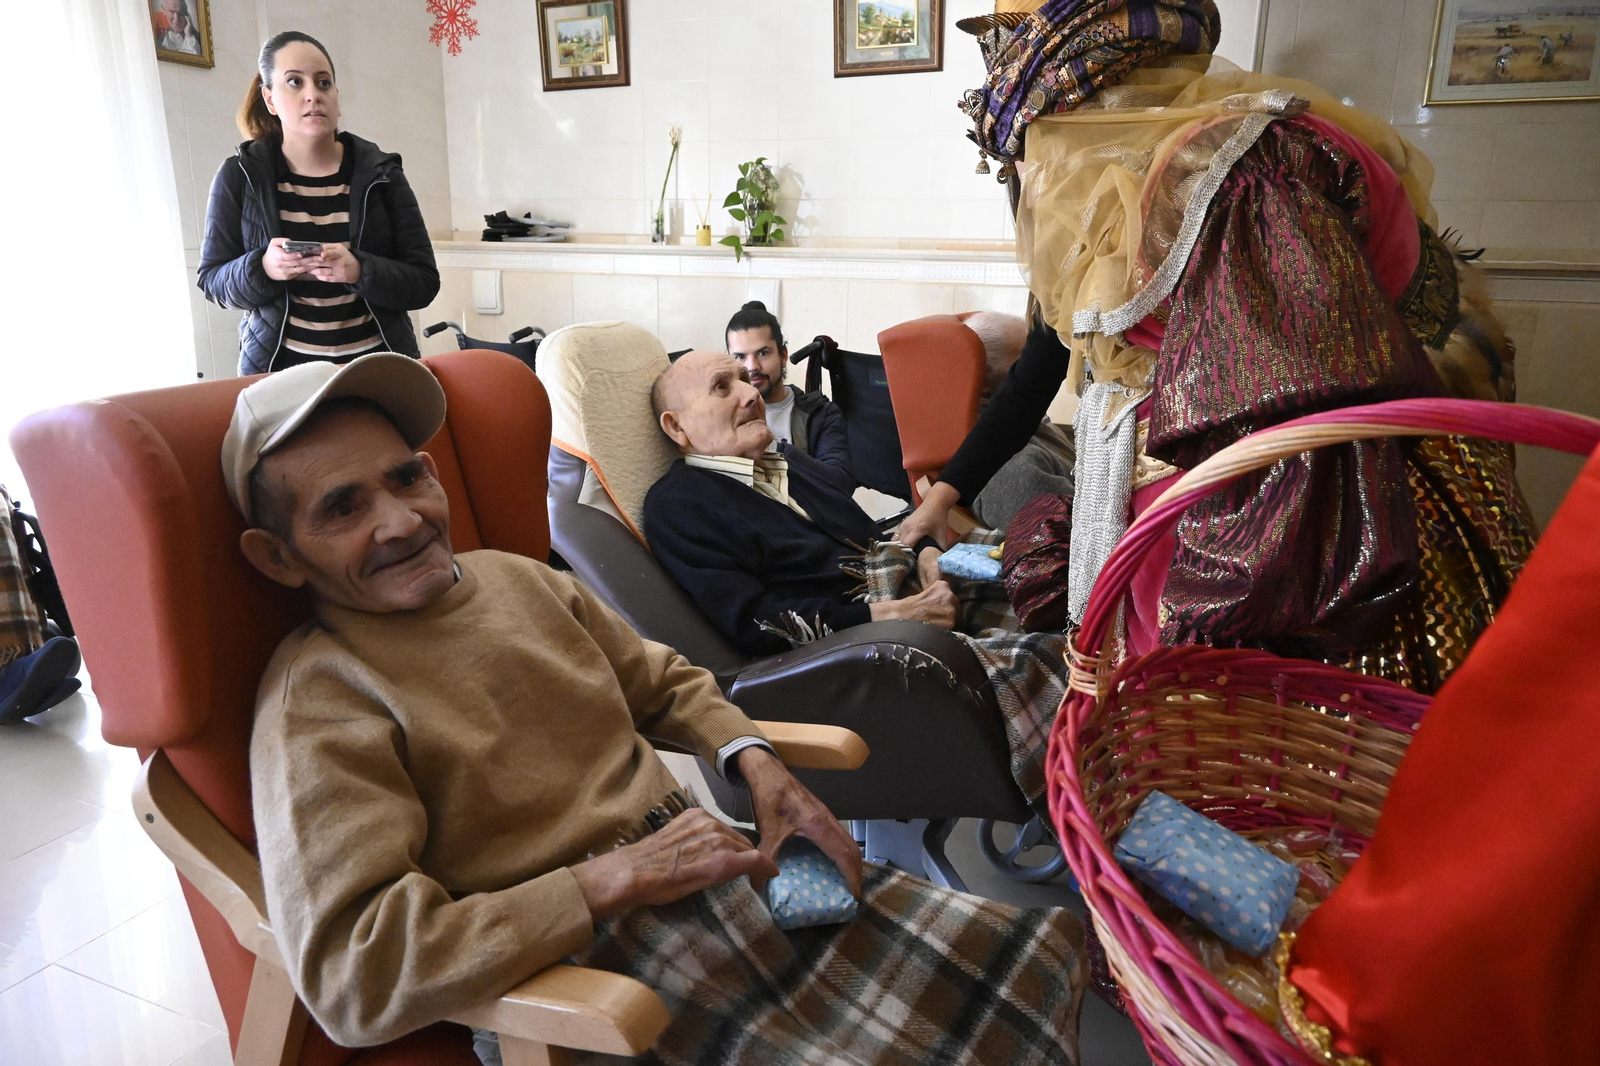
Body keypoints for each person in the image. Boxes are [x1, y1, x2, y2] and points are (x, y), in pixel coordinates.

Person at [226, 353, 1085, 1064]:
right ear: (276, 558)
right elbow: (352, 977)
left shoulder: (516, 580)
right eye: (343, 507)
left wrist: (757, 763)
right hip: (586, 964)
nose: (400, 521)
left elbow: (665, 682)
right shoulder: (323, 700)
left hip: (714, 874)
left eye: (407, 477)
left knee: (1037, 955)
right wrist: (615, 877)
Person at [900, 1, 1536, 695]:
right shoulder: (1113, 209)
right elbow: (1042, 370)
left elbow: (1294, 457)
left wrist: (1183, 663)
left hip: (1325, 552)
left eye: (1029, 151)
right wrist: (948, 496)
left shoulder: (1235, 175)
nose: (1032, 184)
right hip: (1219, 527)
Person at [645, 351, 954, 656]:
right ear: (676, 427)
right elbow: (757, 623)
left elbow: (868, 537)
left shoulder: (786, 461)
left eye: (743, 379)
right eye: (722, 387)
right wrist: (898, 614)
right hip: (861, 648)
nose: (752, 393)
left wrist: (926, 551)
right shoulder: (679, 505)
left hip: (913, 593)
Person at [198, 31, 439, 375]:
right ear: (269, 100)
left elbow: (424, 282)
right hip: (281, 372)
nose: (313, 94)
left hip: (379, 366)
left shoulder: (382, 174)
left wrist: (360, 270)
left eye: (323, 83)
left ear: (337, 98)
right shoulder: (239, 175)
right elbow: (212, 281)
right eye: (294, 82)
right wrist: (263, 267)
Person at [963, 311, 1076, 532]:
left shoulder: (1034, 423)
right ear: (984, 379)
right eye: (1029, 359)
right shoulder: (1013, 466)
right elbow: (1070, 538)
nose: (1044, 365)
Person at [725, 301, 855, 493]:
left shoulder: (821, 414)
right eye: (739, 357)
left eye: (762, 353)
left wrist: (774, 447)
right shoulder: (720, 413)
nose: (752, 366)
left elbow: (841, 484)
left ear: (783, 355)